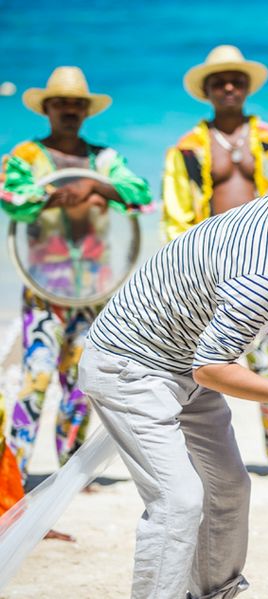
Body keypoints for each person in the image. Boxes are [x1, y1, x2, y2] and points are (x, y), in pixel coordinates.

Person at [77, 157, 268, 599]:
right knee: (177, 503)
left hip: (183, 361)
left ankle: (215, 593)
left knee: (230, 490)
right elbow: (212, 367)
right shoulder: (263, 277)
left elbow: (203, 364)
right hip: (131, 366)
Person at [162, 45, 268, 479]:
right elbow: (176, 218)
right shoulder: (187, 149)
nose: (229, 87)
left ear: (246, 87)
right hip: (210, 272)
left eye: (236, 80)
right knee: (196, 365)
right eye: (219, 81)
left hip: (266, 269)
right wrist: (184, 271)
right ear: (206, 90)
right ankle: (191, 458)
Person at [0, 66, 152, 487]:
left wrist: (94, 188)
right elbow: (11, 197)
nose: (69, 110)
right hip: (45, 289)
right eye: (61, 103)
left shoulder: (102, 160)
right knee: (37, 379)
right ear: (47, 108)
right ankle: (15, 480)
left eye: (76, 105)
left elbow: (139, 192)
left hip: (93, 291)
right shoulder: (28, 158)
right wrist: (51, 193)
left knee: (82, 384)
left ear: (86, 111)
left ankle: (69, 476)